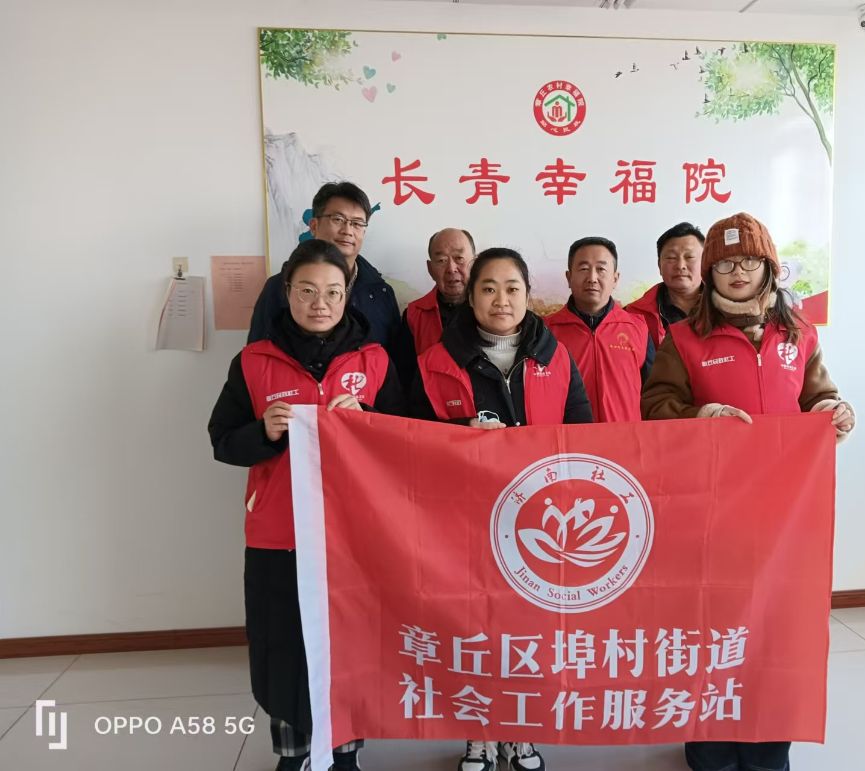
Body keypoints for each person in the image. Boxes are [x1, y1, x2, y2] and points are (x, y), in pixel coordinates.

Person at [640, 213, 854, 771]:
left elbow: (817, 397)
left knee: (775, 631)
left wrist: (833, 410)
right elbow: (655, 407)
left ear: (769, 268)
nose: (738, 272)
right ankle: (709, 748)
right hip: (709, 511)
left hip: (785, 514)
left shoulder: (800, 334)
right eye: (726, 263)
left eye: (750, 261)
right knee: (712, 628)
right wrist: (701, 415)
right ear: (710, 272)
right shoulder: (683, 339)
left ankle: (767, 747)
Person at [209, 239, 404, 771]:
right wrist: (264, 432)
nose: (321, 303)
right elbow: (222, 440)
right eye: (308, 291)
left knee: (351, 644)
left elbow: (409, 441)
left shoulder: (375, 360)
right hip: (280, 532)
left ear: (347, 297)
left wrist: (366, 419)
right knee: (283, 645)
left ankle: (345, 752)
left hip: (356, 534)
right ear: (287, 293)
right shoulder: (253, 362)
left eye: (333, 293)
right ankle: (292, 751)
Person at [411, 247, 592, 771]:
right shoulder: (434, 362)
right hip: (461, 520)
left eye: (512, 288)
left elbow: (581, 429)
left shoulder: (555, 356)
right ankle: (477, 733)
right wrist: (461, 434)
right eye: (488, 288)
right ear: (470, 296)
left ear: (528, 294)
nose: (501, 300)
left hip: (537, 522)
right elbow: (408, 438)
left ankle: (521, 730)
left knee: (528, 630)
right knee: (470, 626)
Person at [248, 181, 402, 356]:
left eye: (357, 223)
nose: (347, 231)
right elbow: (257, 357)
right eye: (338, 219)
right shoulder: (279, 287)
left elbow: (395, 360)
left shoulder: (381, 292)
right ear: (314, 226)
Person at [545, 236, 653, 422]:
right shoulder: (547, 332)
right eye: (584, 269)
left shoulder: (638, 328)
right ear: (569, 278)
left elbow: (653, 395)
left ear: (615, 279)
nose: (592, 278)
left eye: (601, 269)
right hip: (571, 438)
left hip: (626, 437)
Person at [392, 227, 476, 387]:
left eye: (459, 258)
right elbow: (405, 378)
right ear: (430, 269)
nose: (451, 268)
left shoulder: (493, 310)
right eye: (442, 260)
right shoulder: (414, 315)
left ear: (475, 263)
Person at [624, 222, 705, 347]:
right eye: (671, 258)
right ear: (659, 266)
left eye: (689, 257)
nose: (680, 266)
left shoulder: (726, 309)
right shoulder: (633, 315)